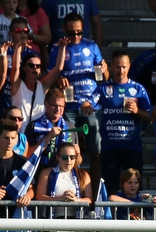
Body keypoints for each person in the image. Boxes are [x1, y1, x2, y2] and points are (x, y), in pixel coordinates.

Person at [49, 12, 106, 182]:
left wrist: (104, 70)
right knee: (69, 151)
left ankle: (95, 196)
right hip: (68, 106)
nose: (75, 36)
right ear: (63, 29)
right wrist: (58, 78)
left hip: (91, 106)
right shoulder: (57, 47)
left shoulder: (92, 46)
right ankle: (73, 187)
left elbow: (103, 78)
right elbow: (50, 75)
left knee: (96, 153)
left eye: (79, 32)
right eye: (71, 32)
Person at [92, 50, 152, 194]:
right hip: (109, 147)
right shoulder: (103, 89)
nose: (121, 70)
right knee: (110, 187)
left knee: (134, 187)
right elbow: (89, 103)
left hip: (132, 146)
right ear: (111, 66)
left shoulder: (138, 89)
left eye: (124, 67)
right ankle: (111, 216)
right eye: (117, 66)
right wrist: (86, 105)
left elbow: (151, 117)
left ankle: (134, 216)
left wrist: (137, 111)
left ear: (129, 66)